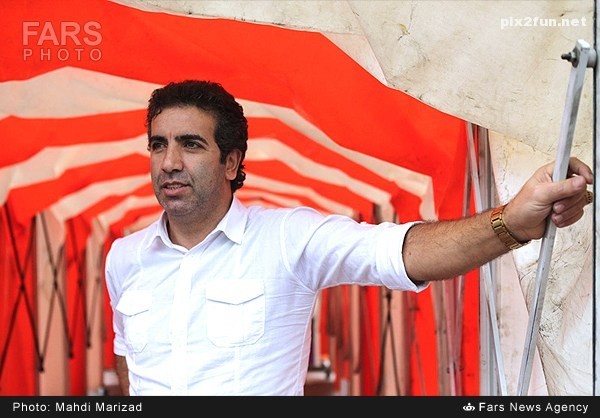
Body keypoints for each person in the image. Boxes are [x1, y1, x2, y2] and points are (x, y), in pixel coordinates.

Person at [104, 80, 594, 396]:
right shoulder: (124, 258)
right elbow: (128, 358)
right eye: (158, 145)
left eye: (191, 145)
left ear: (231, 162)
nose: (169, 162)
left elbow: (398, 252)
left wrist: (511, 222)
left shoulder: (286, 239)